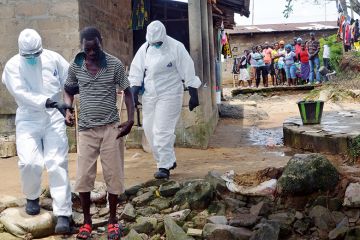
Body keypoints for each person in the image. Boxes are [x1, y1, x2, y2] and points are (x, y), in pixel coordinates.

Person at [63, 27, 135, 240]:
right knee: (84, 178)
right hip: (85, 129)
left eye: (95, 48)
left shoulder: (114, 65)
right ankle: (87, 223)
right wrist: (67, 109)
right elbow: (68, 89)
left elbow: (128, 93)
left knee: (114, 176)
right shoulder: (75, 65)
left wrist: (130, 119)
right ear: (82, 47)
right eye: (88, 49)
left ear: (101, 42)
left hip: (111, 128)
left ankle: (112, 221)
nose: (92, 53)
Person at [2, 29, 73, 233]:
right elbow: (21, 93)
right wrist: (50, 102)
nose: (33, 58)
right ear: (21, 52)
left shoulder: (53, 58)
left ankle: (63, 214)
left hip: (54, 118)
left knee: (57, 162)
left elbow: (69, 82)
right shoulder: (13, 65)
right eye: (29, 56)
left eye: (36, 54)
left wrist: (67, 107)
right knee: (29, 162)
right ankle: (32, 197)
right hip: (28, 117)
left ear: (41, 48)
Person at [129, 20, 201, 179]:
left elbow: (188, 71)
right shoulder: (145, 48)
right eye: (153, 42)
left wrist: (193, 95)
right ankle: (168, 160)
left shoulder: (176, 47)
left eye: (158, 43)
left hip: (170, 94)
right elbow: (136, 72)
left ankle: (164, 166)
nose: (156, 45)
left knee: (162, 130)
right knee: (149, 129)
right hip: (150, 94)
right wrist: (133, 94)